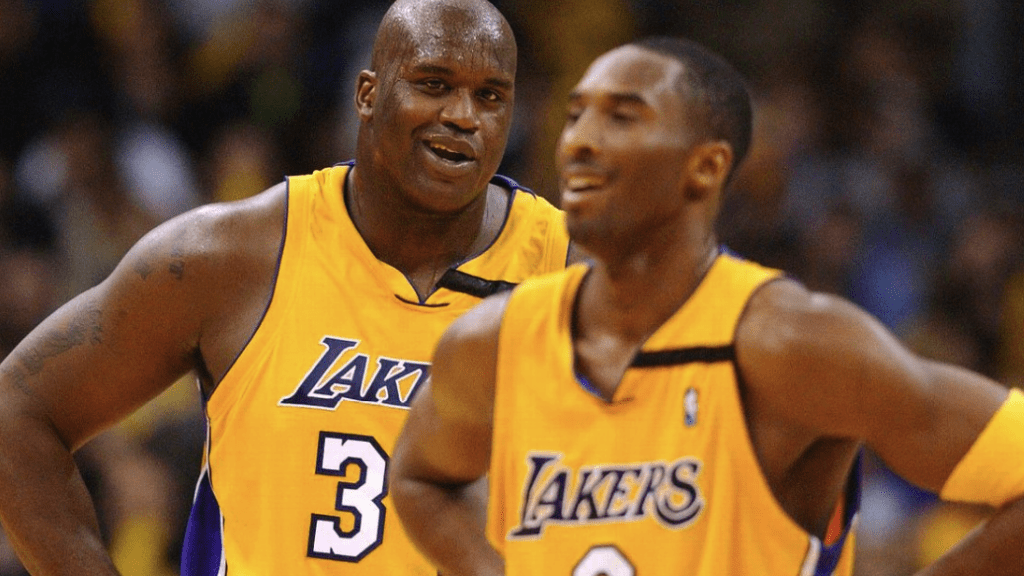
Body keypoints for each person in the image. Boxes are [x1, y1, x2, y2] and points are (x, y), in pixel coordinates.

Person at [389, 36, 1024, 576]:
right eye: (577, 114)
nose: (578, 140)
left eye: (623, 117)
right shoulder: (495, 341)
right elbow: (418, 478)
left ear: (705, 168)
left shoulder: (790, 343)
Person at [0, 0, 578, 574]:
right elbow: (15, 410)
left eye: (491, 96)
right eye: (433, 84)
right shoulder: (232, 257)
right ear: (368, 95)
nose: (463, 115)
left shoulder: (576, 272)